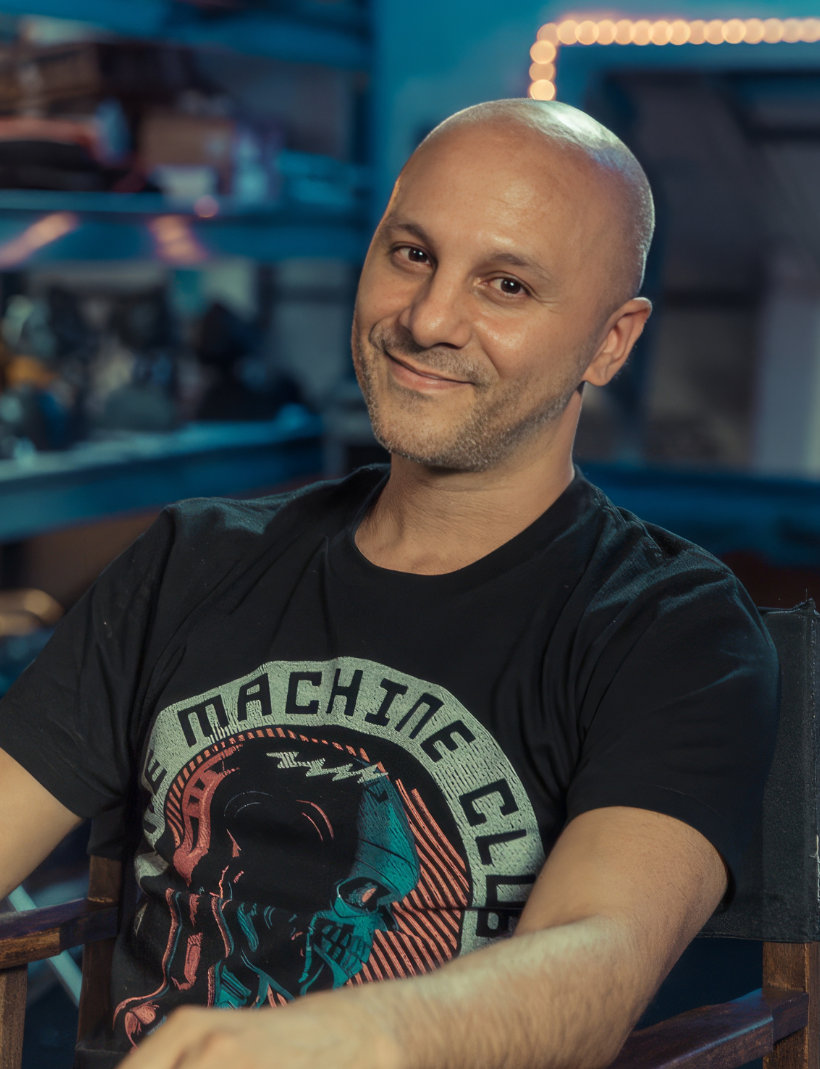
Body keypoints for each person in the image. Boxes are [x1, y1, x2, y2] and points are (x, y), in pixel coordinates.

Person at [0, 99, 778, 1069]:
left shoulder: (672, 626)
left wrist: (358, 1036)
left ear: (610, 341)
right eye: (412, 254)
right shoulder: (189, 559)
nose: (427, 320)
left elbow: (600, 960)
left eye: (506, 284)